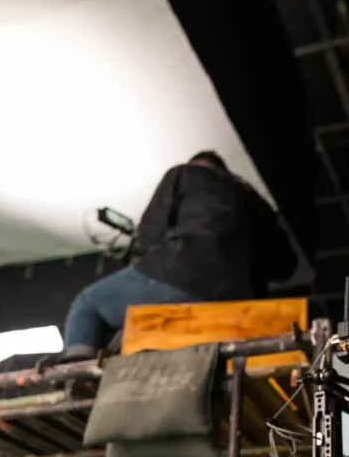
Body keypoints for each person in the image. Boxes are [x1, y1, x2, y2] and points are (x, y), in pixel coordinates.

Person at [62, 150, 297, 355]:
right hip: (239, 303)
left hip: (179, 272)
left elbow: (150, 233)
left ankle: (77, 372)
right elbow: (285, 267)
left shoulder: (184, 174)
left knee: (88, 304)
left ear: (197, 165)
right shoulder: (257, 203)